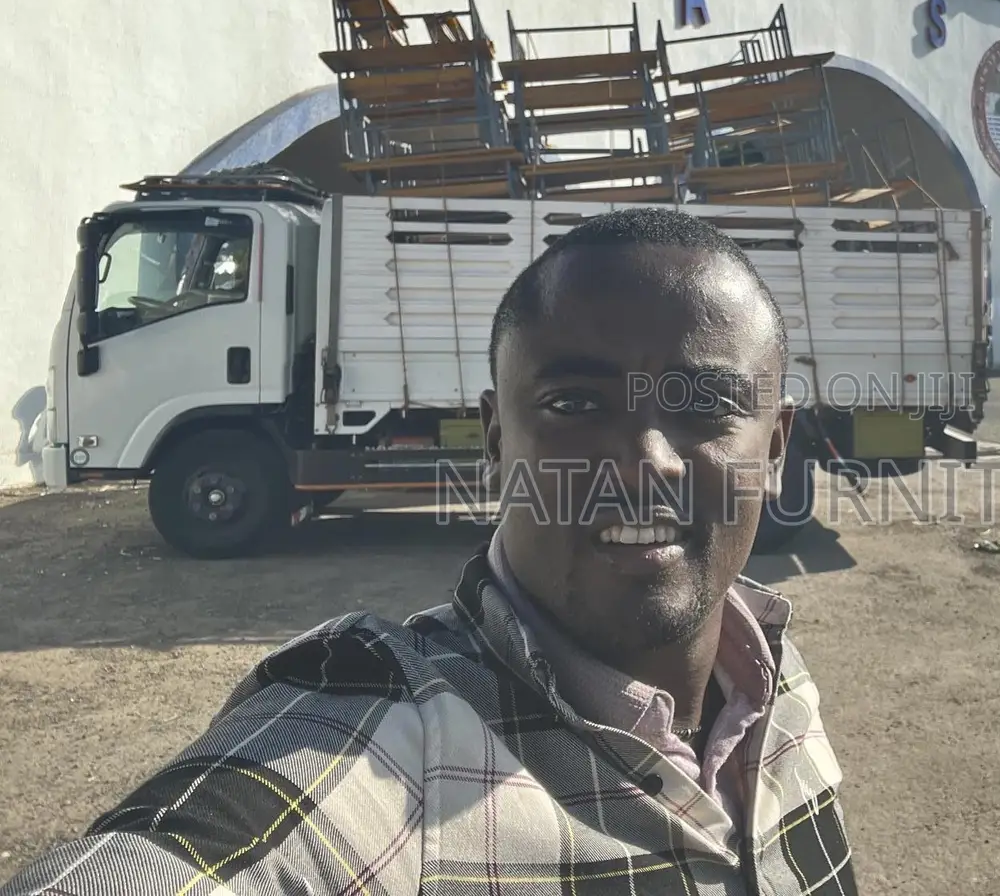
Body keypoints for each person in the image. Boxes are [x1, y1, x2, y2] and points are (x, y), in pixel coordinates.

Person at [0, 207, 857, 896]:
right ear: (496, 439)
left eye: (704, 405)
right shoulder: (381, 749)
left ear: (776, 447)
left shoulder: (779, 689)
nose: (646, 462)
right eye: (573, 404)